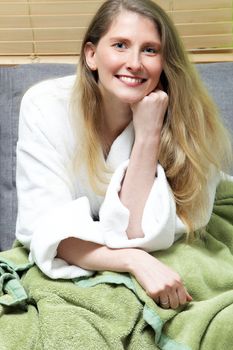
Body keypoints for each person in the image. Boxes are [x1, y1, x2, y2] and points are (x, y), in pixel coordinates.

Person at [15, 0, 232, 312]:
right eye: (120, 45)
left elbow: (136, 233)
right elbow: (46, 228)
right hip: (121, 248)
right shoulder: (45, 106)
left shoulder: (184, 119)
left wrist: (147, 135)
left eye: (150, 50)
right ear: (91, 54)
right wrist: (132, 259)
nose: (135, 62)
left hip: (191, 224)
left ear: (164, 61)